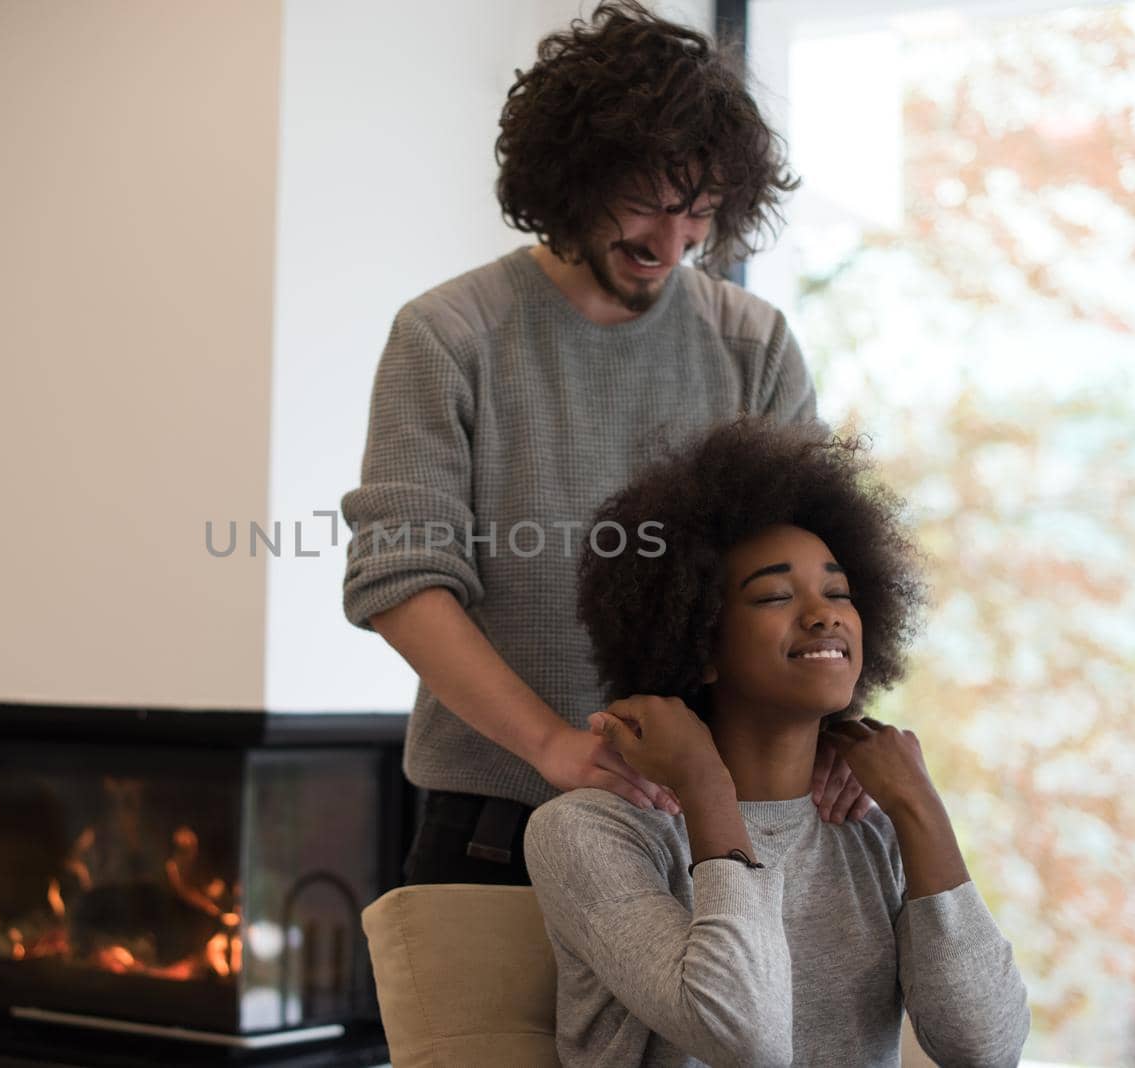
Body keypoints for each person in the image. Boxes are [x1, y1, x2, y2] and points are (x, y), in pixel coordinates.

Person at [341, 0, 871, 886]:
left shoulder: (753, 344)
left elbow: (824, 572)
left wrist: (838, 730)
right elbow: (401, 577)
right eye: (645, 208)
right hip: (494, 829)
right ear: (571, 183)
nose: (672, 245)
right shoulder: (450, 335)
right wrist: (552, 746)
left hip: (711, 827)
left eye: (698, 214)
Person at [523, 417, 1032, 1067]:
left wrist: (918, 809)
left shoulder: (867, 830)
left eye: (839, 592)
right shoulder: (592, 833)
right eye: (774, 595)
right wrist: (706, 787)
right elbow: (745, 1037)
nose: (825, 614)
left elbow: (985, 1046)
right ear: (699, 640)